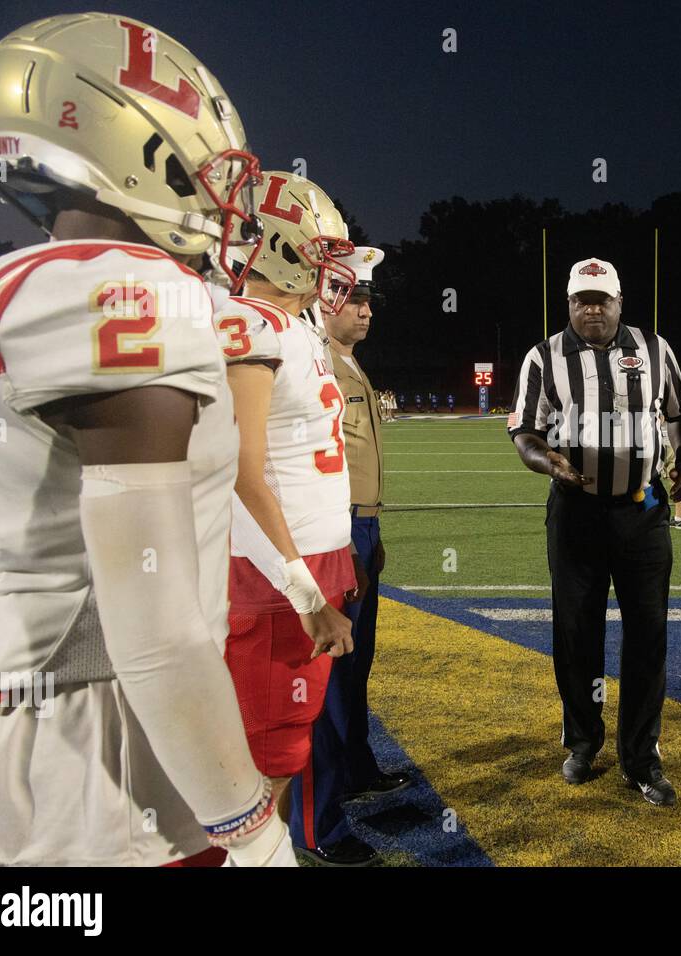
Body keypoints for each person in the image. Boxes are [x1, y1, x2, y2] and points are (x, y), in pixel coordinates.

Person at [0, 13, 295, 866]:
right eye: (213, 172)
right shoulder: (131, 287)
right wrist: (252, 833)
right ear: (141, 144)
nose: (226, 200)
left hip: (13, 711)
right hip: (89, 741)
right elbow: (155, 632)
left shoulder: (1, 281)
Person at [508, 257, 681, 806]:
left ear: (619, 302)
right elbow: (523, 431)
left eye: (602, 299)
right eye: (581, 300)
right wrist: (549, 463)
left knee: (648, 634)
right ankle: (583, 741)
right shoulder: (543, 357)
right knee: (575, 632)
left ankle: (641, 755)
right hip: (577, 512)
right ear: (568, 304)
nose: (592, 308)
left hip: (642, 512)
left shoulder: (656, 349)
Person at [213, 171, 359, 854]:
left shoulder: (291, 325)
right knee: (263, 765)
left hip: (309, 562)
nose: (331, 272)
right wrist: (305, 592)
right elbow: (242, 473)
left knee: (284, 750)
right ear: (281, 248)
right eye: (321, 254)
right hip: (278, 580)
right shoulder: (247, 324)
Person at [289, 246, 412, 865]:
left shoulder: (347, 362)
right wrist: (344, 540)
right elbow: (318, 464)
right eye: (355, 299)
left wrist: (370, 529)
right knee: (326, 678)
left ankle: (356, 773)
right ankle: (318, 823)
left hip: (359, 529)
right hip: (333, 533)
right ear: (324, 299)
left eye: (368, 301)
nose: (365, 311)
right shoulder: (315, 358)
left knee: (353, 672)